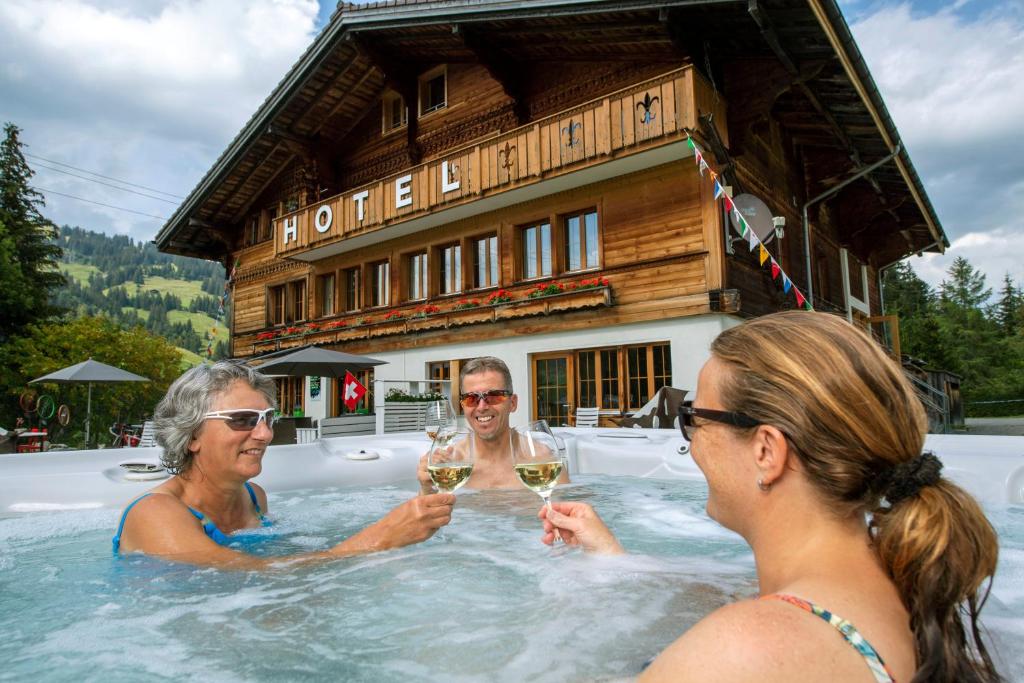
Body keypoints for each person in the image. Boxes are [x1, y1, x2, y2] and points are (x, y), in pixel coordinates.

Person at [540, 311, 1002, 683]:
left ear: (766, 451)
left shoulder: (743, 653)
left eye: (694, 418)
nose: (692, 442)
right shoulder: (905, 582)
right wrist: (614, 560)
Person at [113, 362, 455, 568]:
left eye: (267, 418)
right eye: (243, 420)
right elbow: (251, 573)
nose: (264, 434)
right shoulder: (155, 513)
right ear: (191, 435)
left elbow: (289, 564)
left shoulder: (254, 497)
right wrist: (380, 538)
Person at [418, 356, 569, 493]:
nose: (482, 407)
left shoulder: (542, 460)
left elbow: (566, 515)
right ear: (463, 406)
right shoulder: (450, 465)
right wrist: (426, 489)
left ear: (513, 403)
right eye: (471, 398)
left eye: (494, 396)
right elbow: (429, 519)